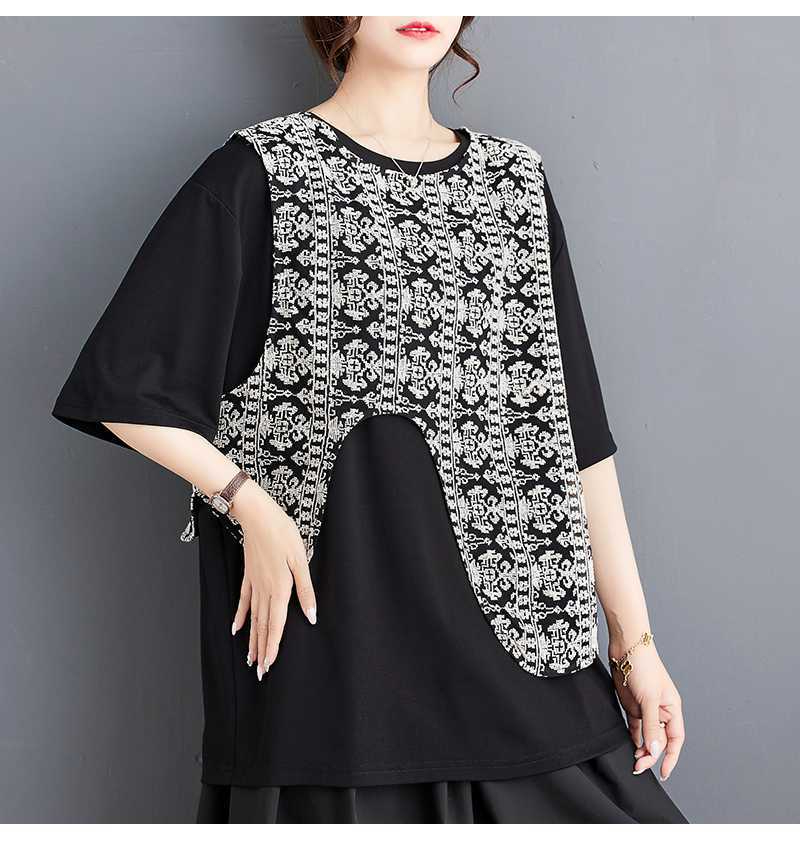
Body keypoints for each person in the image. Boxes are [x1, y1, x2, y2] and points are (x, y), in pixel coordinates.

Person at [52, 16, 687, 824]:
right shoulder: (262, 172)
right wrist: (246, 499)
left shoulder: (515, 187)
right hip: (333, 678)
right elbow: (122, 383)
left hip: (525, 661)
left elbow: (577, 437)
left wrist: (634, 646)